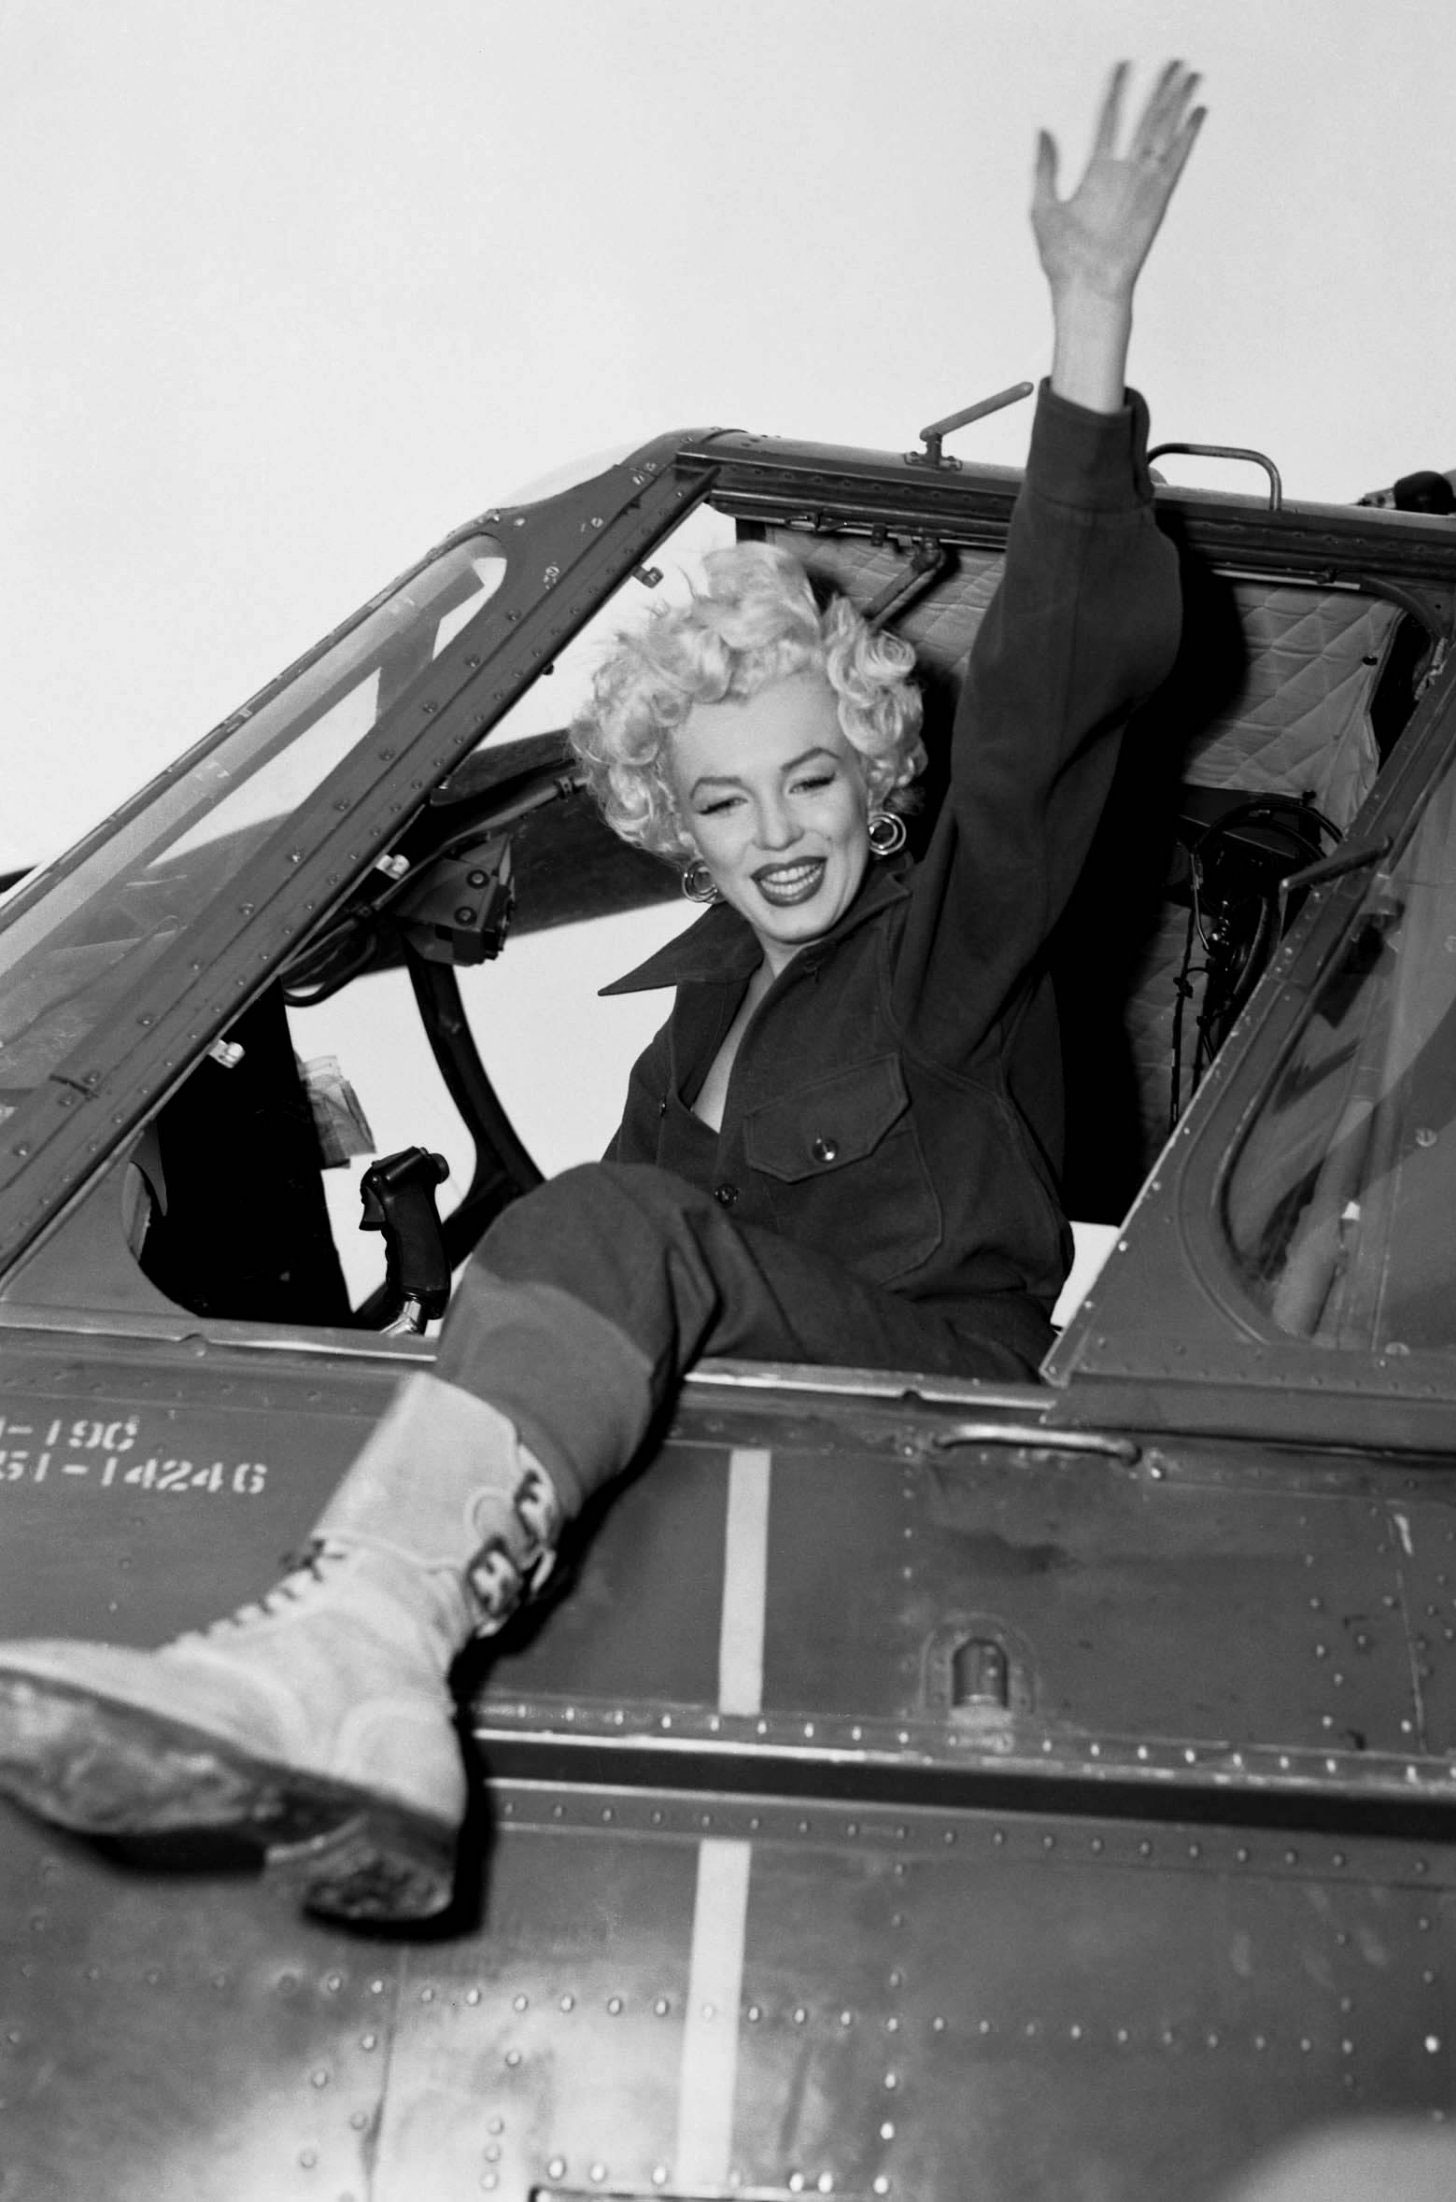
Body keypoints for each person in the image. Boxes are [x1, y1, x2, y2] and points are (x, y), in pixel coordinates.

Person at [0, 62, 1203, 1922]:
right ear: (674, 823)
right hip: (780, 1383)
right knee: (568, 1227)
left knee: (605, 1224)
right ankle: (368, 1677)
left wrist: (1091, 329)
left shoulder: (949, 944)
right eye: (725, 802)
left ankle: (359, 1647)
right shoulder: (686, 1035)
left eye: (813, 779)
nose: (780, 832)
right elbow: (605, 1270)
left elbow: (1046, 715)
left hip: (936, 1397)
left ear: (876, 774)